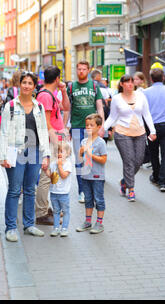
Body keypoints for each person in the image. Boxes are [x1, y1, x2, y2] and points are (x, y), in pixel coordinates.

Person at [0, 71, 51, 242]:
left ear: (34, 87)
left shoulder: (39, 107)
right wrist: (3, 156)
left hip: (35, 151)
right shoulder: (11, 106)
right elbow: (4, 132)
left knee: (30, 190)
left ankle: (29, 225)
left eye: (30, 83)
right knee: (14, 190)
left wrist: (47, 155)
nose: (27, 86)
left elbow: (43, 131)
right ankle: (11, 228)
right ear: (19, 85)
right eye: (24, 82)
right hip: (16, 151)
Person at [104, 74, 156, 202]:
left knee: (138, 161)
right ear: (121, 84)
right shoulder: (116, 99)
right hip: (122, 133)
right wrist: (103, 129)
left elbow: (147, 114)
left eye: (131, 82)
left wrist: (153, 131)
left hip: (140, 133)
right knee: (129, 161)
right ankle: (131, 190)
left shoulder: (141, 96)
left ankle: (124, 181)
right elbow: (112, 117)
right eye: (127, 82)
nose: (130, 84)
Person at [34, 66, 70, 226]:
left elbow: (66, 108)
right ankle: (41, 213)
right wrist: (55, 142)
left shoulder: (51, 94)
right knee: (45, 176)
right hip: (50, 141)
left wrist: (63, 91)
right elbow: (46, 122)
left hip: (55, 138)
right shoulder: (45, 96)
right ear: (57, 78)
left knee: (49, 175)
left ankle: (44, 208)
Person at [67, 61, 104, 203]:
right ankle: (81, 191)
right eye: (79, 69)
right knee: (79, 159)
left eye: (84, 69)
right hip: (76, 127)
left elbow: (99, 107)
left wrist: (102, 125)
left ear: (88, 70)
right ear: (76, 70)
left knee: (90, 158)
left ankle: (90, 190)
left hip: (92, 128)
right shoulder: (71, 87)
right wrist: (66, 126)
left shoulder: (94, 86)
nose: (81, 71)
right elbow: (67, 108)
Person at [143, 68, 165, 192]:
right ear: (163, 78)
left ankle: (156, 176)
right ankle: (163, 182)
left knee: (153, 153)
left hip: (152, 127)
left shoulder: (145, 93)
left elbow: (143, 112)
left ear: (151, 79)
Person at [76, 114, 107, 234]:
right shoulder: (84, 141)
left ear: (98, 127)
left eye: (91, 125)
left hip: (97, 176)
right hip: (85, 175)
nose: (88, 127)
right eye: (87, 125)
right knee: (88, 199)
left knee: (99, 199)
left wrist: (91, 154)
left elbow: (104, 159)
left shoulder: (101, 143)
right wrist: (81, 152)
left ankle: (99, 223)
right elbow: (80, 159)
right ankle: (87, 222)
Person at [46, 141, 72, 237]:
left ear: (68, 153)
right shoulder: (53, 164)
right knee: (56, 211)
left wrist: (60, 166)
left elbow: (64, 175)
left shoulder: (67, 164)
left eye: (62, 151)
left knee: (65, 211)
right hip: (54, 192)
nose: (59, 154)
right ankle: (56, 228)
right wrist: (46, 170)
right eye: (58, 152)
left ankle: (64, 228)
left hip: (64, 193)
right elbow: (52, 177)